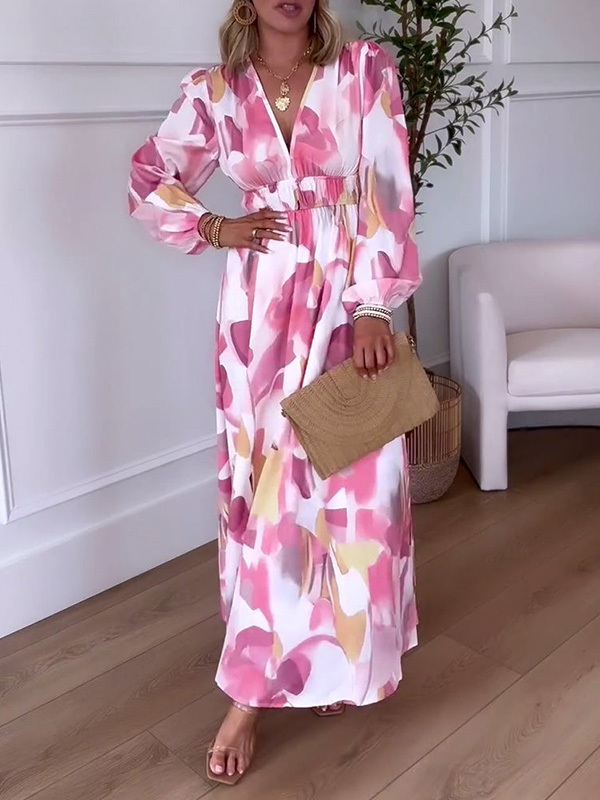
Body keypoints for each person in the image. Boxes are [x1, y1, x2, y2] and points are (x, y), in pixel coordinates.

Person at [128, 0, 422, 786]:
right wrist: (214, 227)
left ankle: (331, 656)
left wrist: (372, 306)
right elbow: (149, 176)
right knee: (268, 491)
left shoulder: (364, 71)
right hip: (258, 314)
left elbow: (386, 187)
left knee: (350, 486)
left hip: (346, 304)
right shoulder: (213, 92)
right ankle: (251, 693)